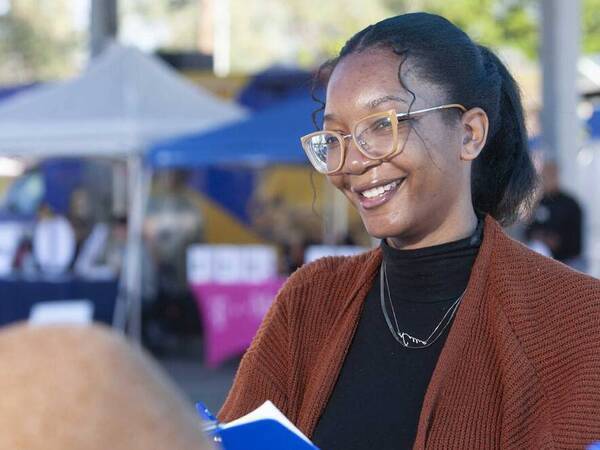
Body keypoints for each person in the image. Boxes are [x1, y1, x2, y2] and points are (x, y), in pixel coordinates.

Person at [218, 13, 600, 449]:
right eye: (334, 137)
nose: (353, 162)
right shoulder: (308, 302)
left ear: (469, 134)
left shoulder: (578, 322)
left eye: (383, 125)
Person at [526, 160, 585, 271]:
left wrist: (557, 241)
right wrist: (540, 237)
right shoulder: (537, 203)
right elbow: (528, 231)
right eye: (544, 176)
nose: (547, 178)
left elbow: (576, 240)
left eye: (551, 174)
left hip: (568, 261)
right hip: (541, 259)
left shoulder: (571, 204)